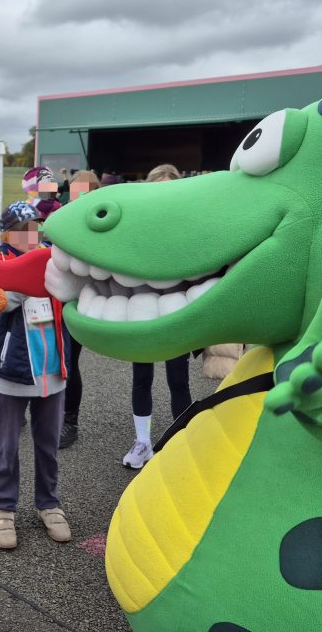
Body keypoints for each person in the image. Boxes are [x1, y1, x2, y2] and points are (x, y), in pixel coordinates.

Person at [0, 201, 72, 549]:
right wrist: (27, 280)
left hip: (53, 371)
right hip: (11, 373)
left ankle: (48, 504)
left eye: (35, 226)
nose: (32, 234)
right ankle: (3, 509)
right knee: (6, 447)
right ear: (7, 234)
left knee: (48, 446)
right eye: (23, 229)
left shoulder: (54, 261)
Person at [123, 164, 192, 469]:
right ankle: (143, 443)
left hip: (175, 312)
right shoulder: (136, 225)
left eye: (168, 187)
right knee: (142, 378)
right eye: (156, 187)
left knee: (178, 380)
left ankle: (182, 443)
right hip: (143, 312)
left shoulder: (186, 224)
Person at [59, 169, 101, 448]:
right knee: (42, 356)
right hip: (53, 299)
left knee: (69, 361)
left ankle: (70, 422)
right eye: (75, 192)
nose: (78, 197)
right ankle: (24, 409)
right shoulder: (62, 219)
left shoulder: (100, 227)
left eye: (84, 192)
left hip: (79, 302)